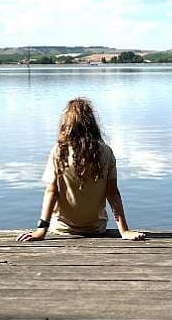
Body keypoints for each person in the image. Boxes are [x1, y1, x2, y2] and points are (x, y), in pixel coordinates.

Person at [17, 97, 145, 242]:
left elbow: (51, 192)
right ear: (92, 124)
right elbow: (113, 193)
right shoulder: (105, 152)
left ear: (67, 125)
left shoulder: (59, 152)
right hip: (95, 228)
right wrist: (124, 230)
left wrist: (41, 230)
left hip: (61, 229)